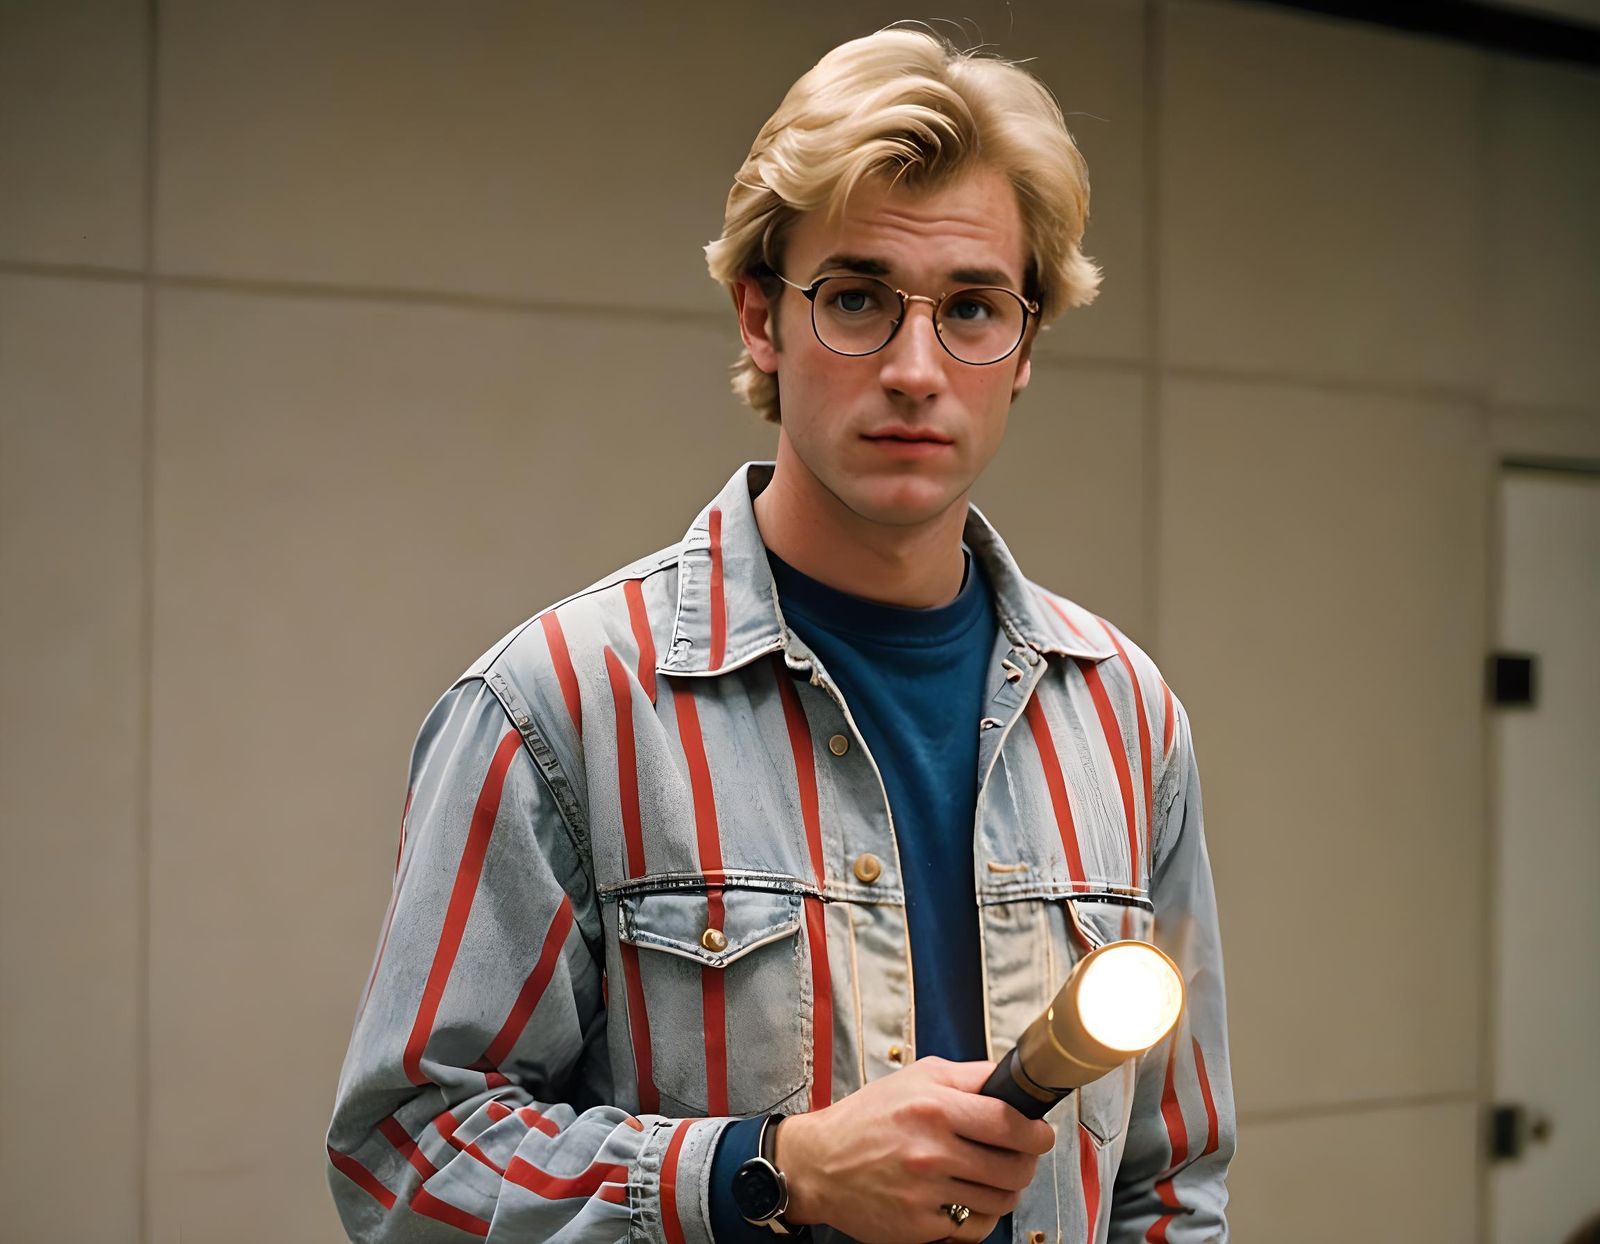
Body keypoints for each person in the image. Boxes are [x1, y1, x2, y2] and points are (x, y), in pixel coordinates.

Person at [326, 25, 1234, 1244]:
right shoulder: (559, 704)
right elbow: (406, 1156)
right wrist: (769, 1170)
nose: (917, 368)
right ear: (762, 317)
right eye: (857, 297)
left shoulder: (1124, 712)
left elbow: (1168, 1181)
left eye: (972, 307)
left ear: (1024, 348)